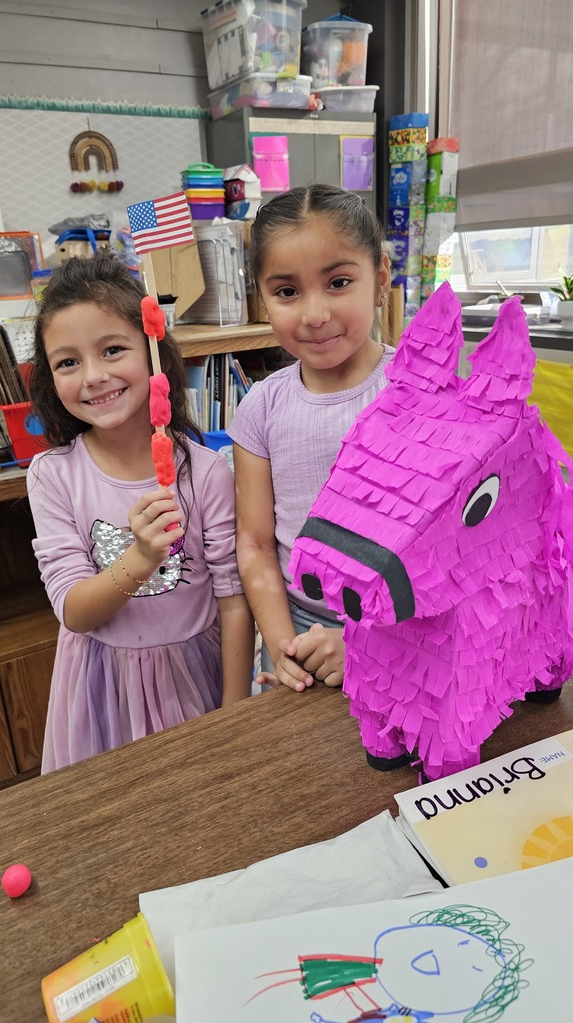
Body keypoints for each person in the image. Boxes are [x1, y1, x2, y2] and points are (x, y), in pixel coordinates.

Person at [26, 253, 254, 772]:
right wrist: (143, 555)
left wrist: (235, 716)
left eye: (112, 349)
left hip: (193, 672)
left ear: (153, 351)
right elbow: (74, 610)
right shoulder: (52, 475)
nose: (93, 376)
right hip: (102, 685)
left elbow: (232, 599)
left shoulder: (206, 472)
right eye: (67, 362)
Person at [229, 184, 392, 693]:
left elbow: (450, 546)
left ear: (380, 279)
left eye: (338, 282)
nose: (314, 313)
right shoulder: (261, 406)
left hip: (407, 630)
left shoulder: (419, 390)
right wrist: (282, 648)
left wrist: (368, 644)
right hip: (297, 630)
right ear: (263, 297)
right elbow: (255, 544)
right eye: (287, 292)